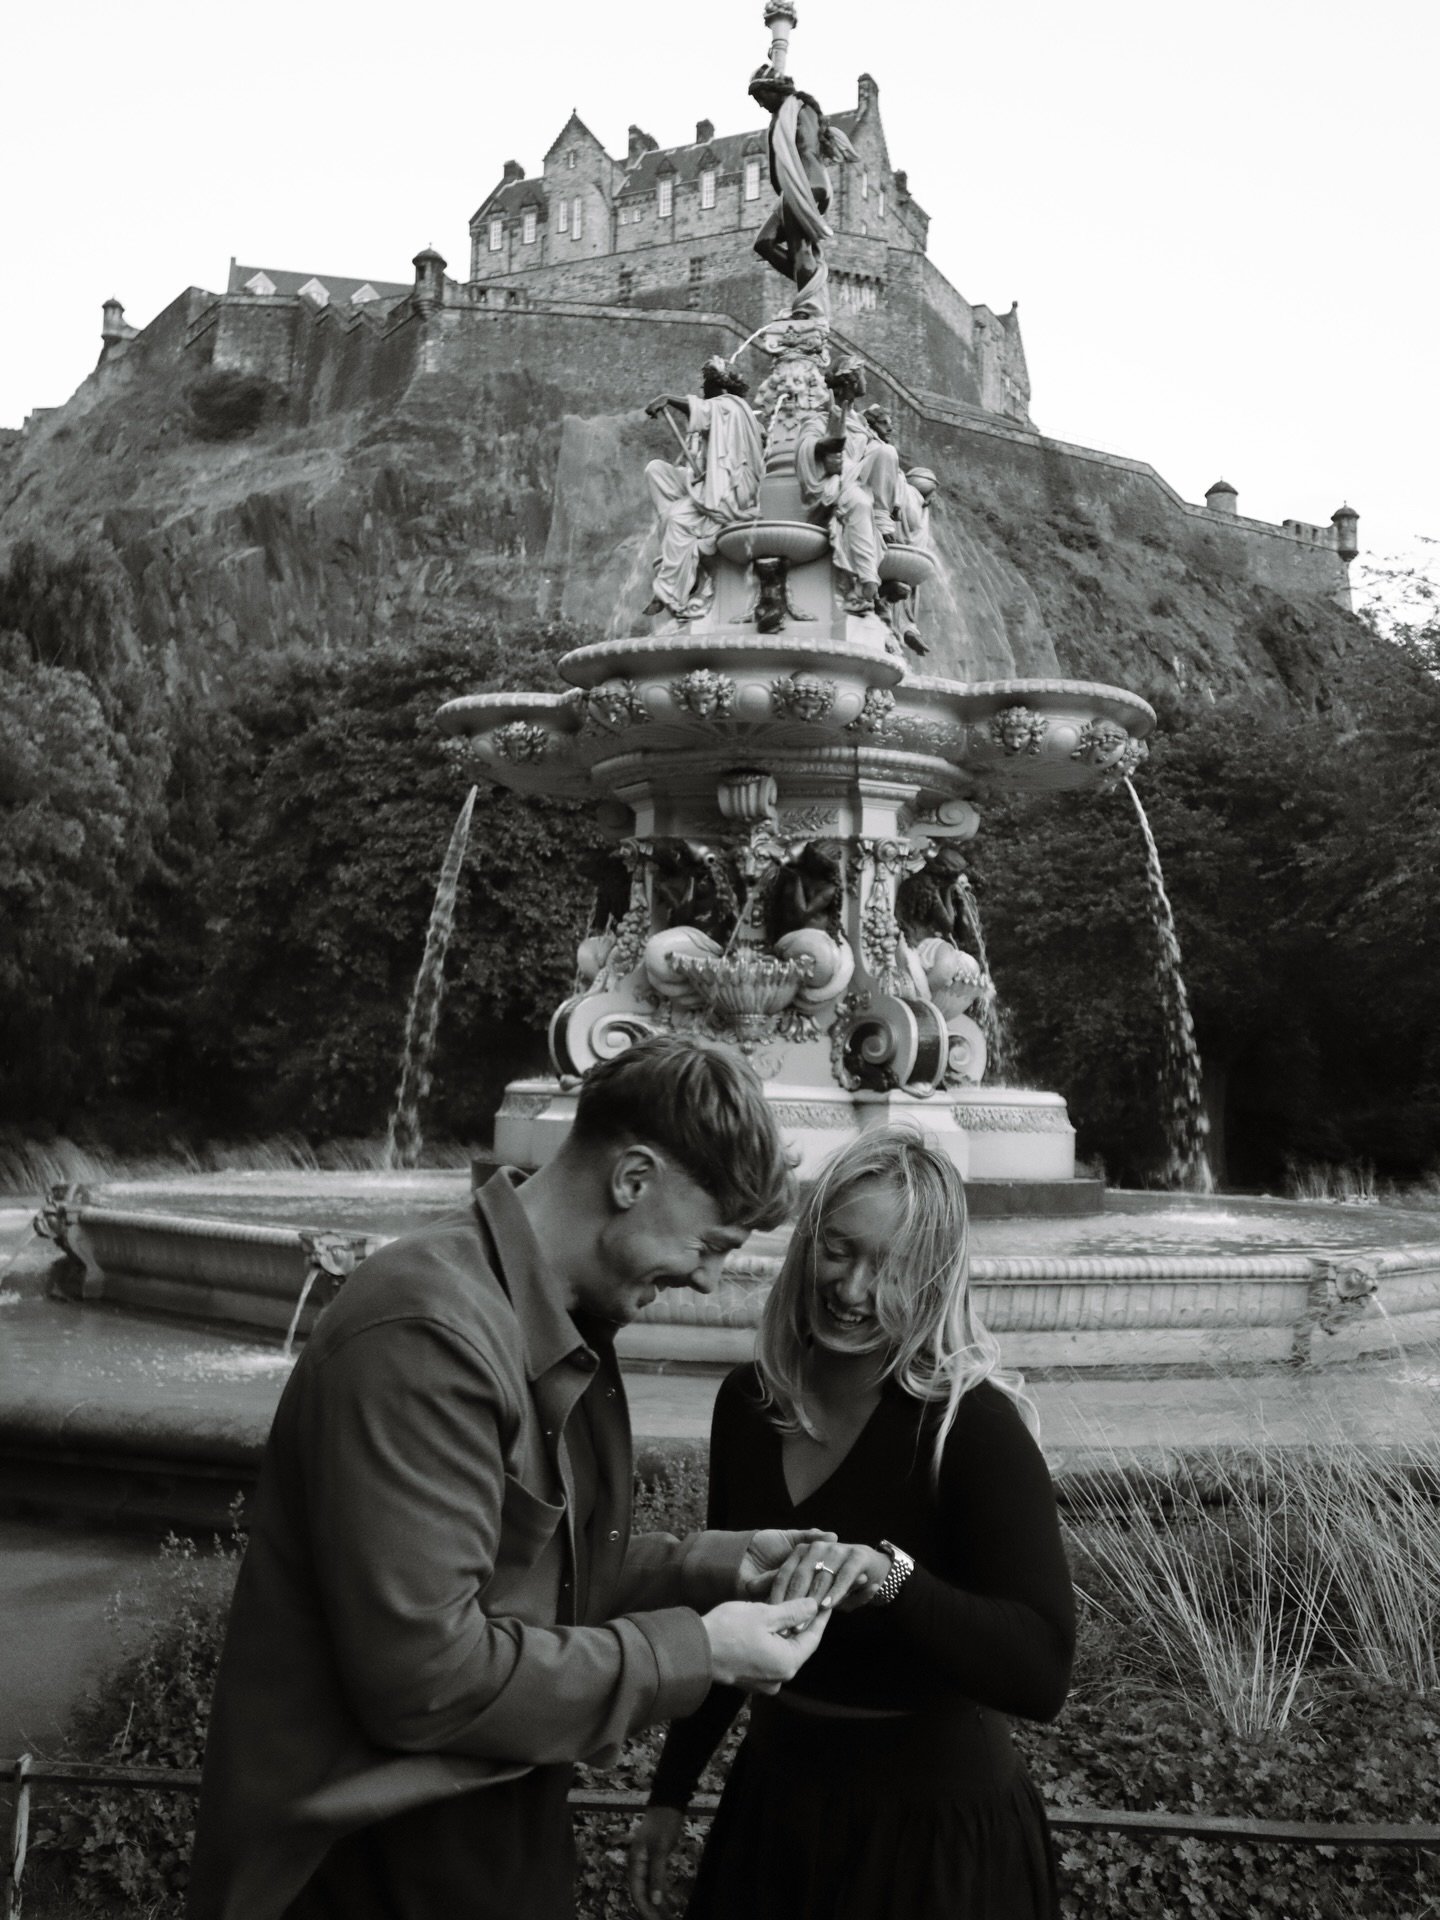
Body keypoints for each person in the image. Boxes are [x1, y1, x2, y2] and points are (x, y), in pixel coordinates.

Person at [188, 1036, 837, 1920]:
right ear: (634, 1178)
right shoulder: (429, 1332)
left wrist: (723, 1568)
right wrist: (704, 1648)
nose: (708, 1279)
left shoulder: (544, 1316)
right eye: (711, 1243)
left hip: (483, 1838)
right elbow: (430, 1678)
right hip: (358, 1868)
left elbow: (542, 1578)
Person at [627, 1127, 1075, 1920]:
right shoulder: (751, 1404)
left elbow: (1039, 1671)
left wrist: (891, 1578)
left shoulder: (967, 1430)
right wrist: (670, 1794)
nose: (855, 1289)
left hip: (934, 1846)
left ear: (933, 1280)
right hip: (775, 1815)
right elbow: (726, 1614)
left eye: (892, 1268)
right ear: (807, 1245)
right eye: (839, 1250)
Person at [644, 357, 763, 622]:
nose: (701, 392)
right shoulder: (725, 411)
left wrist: (667, 398)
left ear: (717, 386)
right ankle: (685, 523)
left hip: (729, 492)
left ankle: (670, 594)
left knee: (677, 519)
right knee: (656, 471)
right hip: (707, 482)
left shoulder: (731, 407)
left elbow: (702, 410)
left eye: (705, 386)